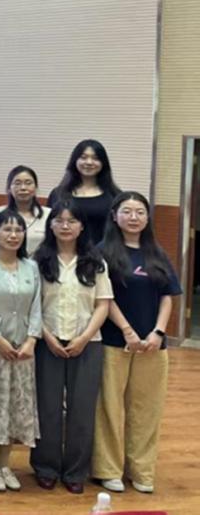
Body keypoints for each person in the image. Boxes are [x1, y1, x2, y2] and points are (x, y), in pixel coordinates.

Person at [94, 191, 181, 494]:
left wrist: (158, 332)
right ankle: (108, 470)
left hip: (153, 346)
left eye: (140, 212)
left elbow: (167, 296)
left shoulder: (157, 253)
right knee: (109, 408)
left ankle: (142, 470)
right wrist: (128, 331)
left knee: (146, 409)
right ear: (114, 216)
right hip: (114, 342)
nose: (134, 217)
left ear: (147, 217)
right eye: (127, 211)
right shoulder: (102, 252)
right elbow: (104, 297)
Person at [31, 200, 112, 494]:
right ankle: (46, 467)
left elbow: (103, 304)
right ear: (50, 225)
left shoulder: (95, 262)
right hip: (47, 342)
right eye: (59, 220)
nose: (65, 226)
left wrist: (84, 337)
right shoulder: (38, 261)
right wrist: (48, 336)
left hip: (88, 343)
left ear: (81, 227)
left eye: (72, 221)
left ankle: (76, 471)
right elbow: (32, 305)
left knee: (82, 409)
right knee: (47, 407)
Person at [0, 210, 42, 492]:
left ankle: (5, 462)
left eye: (18, 230)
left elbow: (37, 305)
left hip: (23, 349)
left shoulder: (31, 267)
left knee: (15, 405)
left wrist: (32, 339)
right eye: (7, 229)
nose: (13, 235)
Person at [47, 139, 121, 247]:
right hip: (65, 253)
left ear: (103, 163)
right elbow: (49, 229)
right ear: (75, 161)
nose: (89, 162)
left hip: (104, 254)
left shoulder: (114, 195)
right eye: (83, 157)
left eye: (95, 158)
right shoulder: (58, 194)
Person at [0, 165, 50, 255]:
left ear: (36, 188)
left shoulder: (48, 214)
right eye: (17, 183)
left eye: (28, 183)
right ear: (9, 188)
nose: (23, 188)